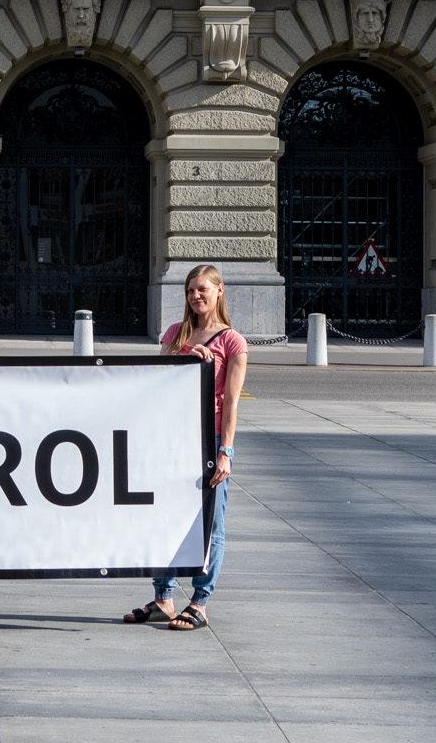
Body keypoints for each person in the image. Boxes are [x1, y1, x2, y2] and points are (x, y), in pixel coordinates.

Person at [120, 263, 247, 633]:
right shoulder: (176, 333)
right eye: (190, 290)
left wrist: (225, 452)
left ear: (219, 291)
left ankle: (200, 602)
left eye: (202, 289)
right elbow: (156, 380)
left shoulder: (233, 342)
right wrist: (186, 357)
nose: (195, 296)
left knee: (211, 523)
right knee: (166, 517)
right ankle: (163, 598)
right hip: (175, 438)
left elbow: (231, 403)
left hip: (210, 440)